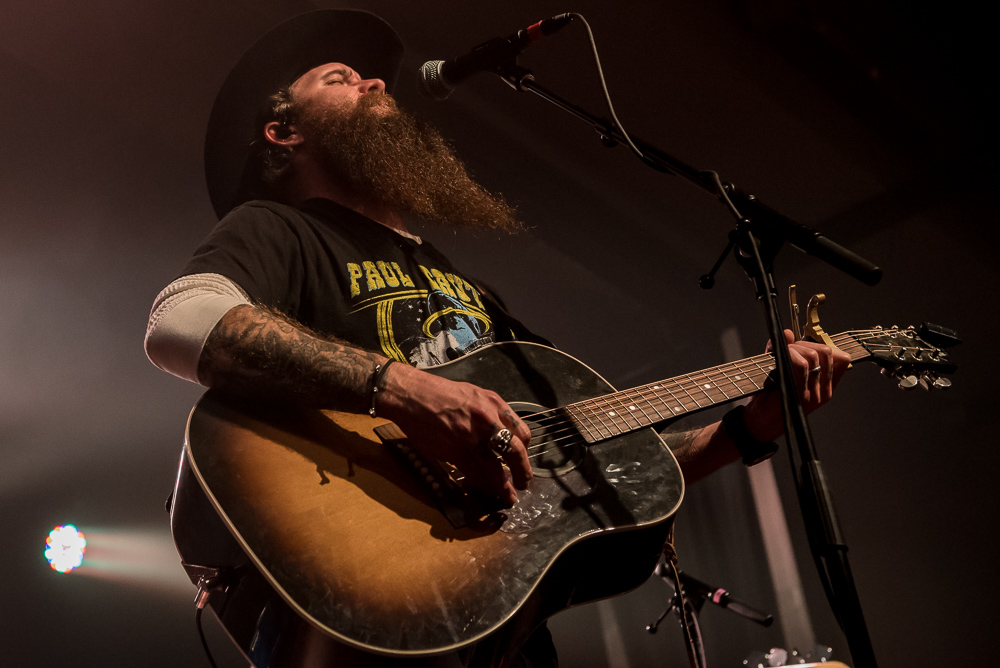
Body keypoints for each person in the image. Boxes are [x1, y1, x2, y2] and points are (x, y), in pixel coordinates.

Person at [145, 9, 851, 666]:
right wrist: (402, 388)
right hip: (358, 602)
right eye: (340, 79)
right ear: (284, 133)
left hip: (497, 631)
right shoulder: (278, 231)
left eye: (368, 75)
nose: (375, 82)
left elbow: (597, 458)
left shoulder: (464, 287)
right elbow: (179, 324)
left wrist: (749, 426)